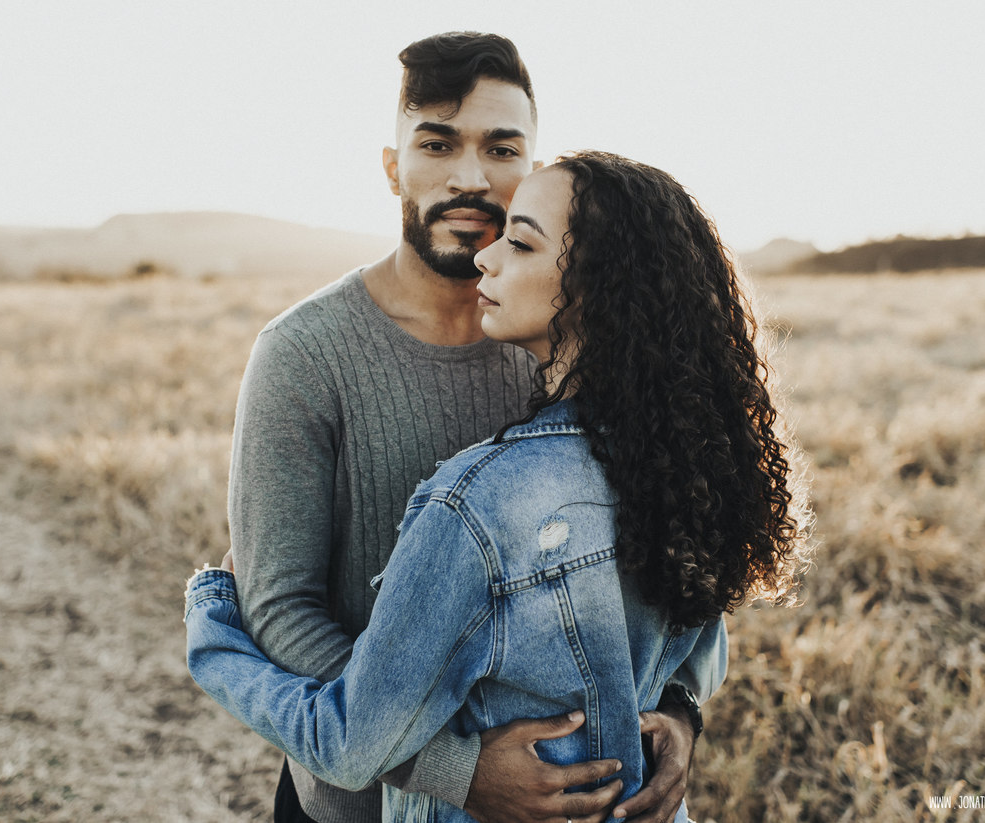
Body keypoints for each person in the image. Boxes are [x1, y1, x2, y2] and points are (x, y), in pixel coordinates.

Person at [187, 151, 810, 822]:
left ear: (596, 286)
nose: (487, 257)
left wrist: (214, 624)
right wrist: (681, 713)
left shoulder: (473, 503)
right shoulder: (679, 467)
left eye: (520, 242)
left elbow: (346, 744)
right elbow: (694, 644)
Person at [223, 32, 700, 823]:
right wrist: (454, 767)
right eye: (437, 143)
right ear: (392, 166)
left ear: (535, 168)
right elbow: (278, 607)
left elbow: (665, 555)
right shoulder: (301, 355)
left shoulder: (570, 348)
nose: (471, 177)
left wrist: (681, 709)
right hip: (355, 802)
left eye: (501, 147)